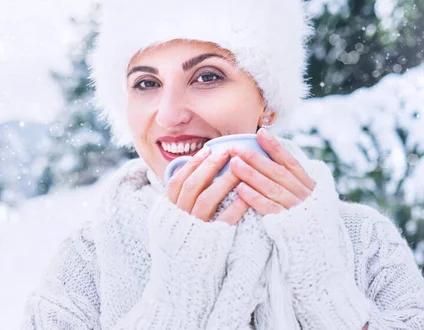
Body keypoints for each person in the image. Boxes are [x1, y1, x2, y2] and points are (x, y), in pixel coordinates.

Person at [22, 0, 424, 329]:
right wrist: (176, 299)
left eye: (207, 77)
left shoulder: (363, 240)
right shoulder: (87, 261)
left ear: (267, 100)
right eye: (146, 83)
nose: (168, 115)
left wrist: (323, 283)